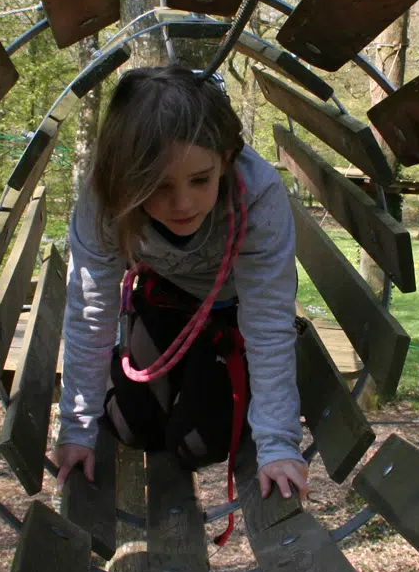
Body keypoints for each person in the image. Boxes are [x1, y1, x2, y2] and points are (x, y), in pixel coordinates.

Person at [52, 64, 308, 522]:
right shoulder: (103, 199)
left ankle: (205, 375)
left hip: (230, 315)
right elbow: (91, 308)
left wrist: (278, 444)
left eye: (200, 180)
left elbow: (269, 320)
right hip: (162, 302)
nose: (183, 204)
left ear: (226, 159)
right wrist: (77, 428)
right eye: (158, 185)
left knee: (195, 445)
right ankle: (149, 366)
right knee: (132, 426)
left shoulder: (258, 193)